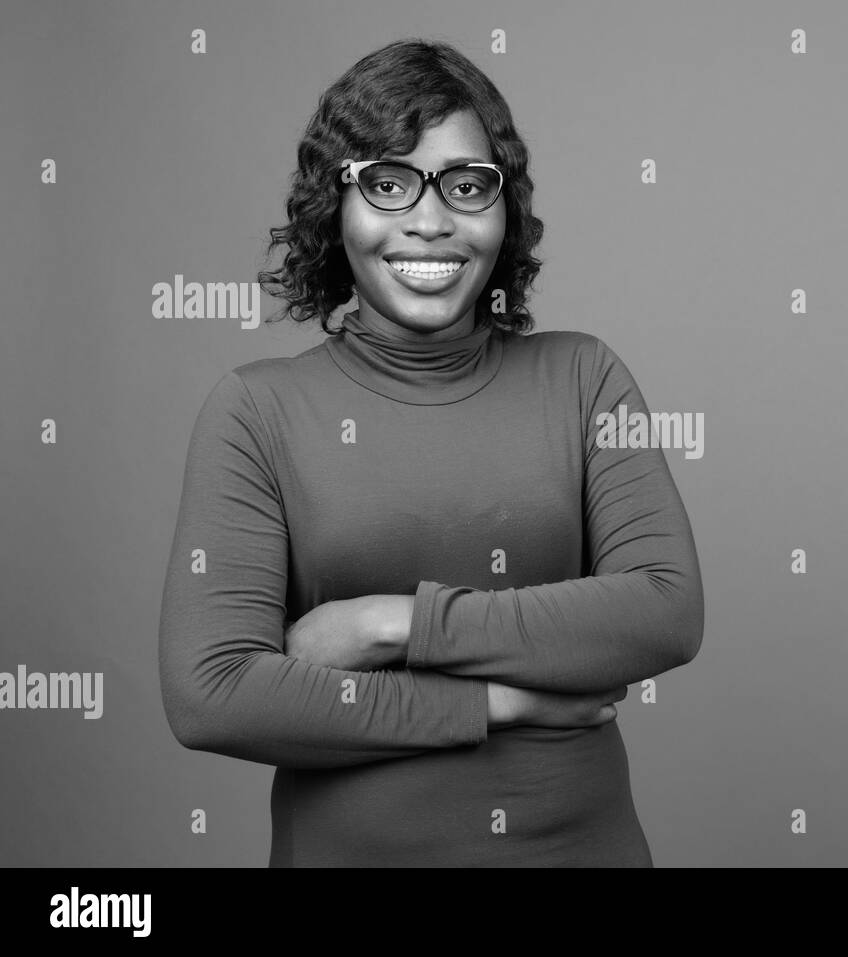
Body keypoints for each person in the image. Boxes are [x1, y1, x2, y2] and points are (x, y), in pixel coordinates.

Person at [157, 38, 704, 867]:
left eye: (467, 184)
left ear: (504, 208)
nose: (431, 218)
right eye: (388, 181)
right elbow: (214, 695)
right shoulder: (257, 409)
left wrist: (388, 622)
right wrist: (497, 702)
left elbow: (664, 608)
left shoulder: (584, 377)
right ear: (333, 208)